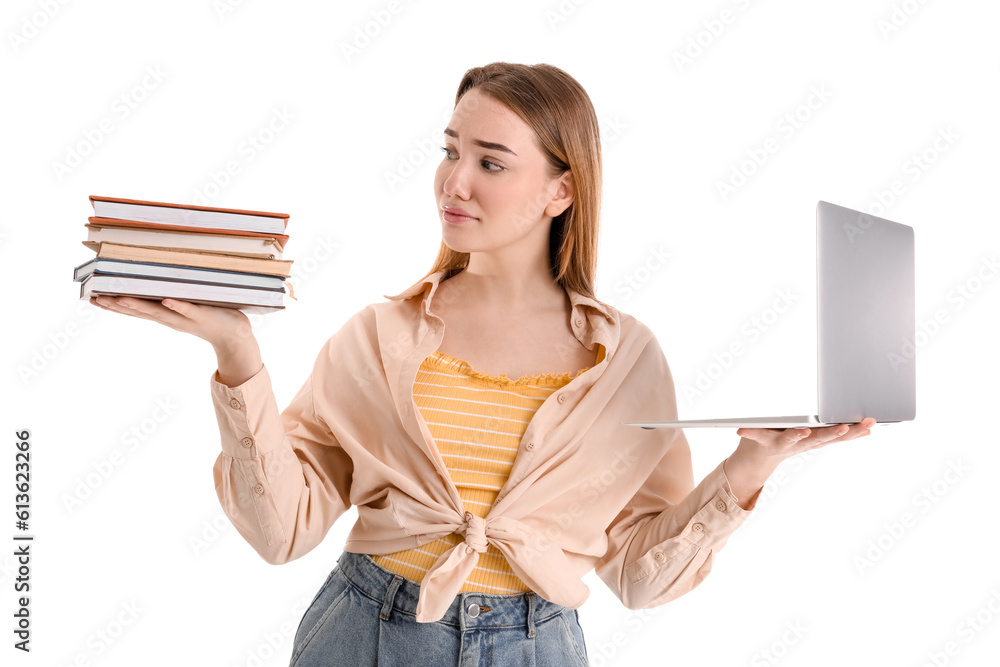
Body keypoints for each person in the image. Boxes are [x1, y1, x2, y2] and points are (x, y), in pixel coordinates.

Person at [90, 61, 875, 667]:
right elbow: (280, 530)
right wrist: (237, 356)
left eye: (491, 163)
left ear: (560, 191)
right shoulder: (378, 336)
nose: (453, 182)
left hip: (536, 643)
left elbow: (639, 575)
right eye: (450, 150)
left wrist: (750, 465)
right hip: (364, 633)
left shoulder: (624, 360)